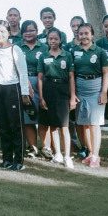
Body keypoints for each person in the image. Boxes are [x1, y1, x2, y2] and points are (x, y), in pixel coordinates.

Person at [0, 23, 31, 171]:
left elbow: (23, 73)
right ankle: (6, 160)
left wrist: (24, 93)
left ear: (8, 33)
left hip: (12, 88)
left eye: (2, 31)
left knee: (16, 125)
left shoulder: (15, 49)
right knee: (3, 125)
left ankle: (18, 160)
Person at [71, 23, 108, 168]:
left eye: (86, 33)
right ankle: (90, 152)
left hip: (95, 89)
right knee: (84, 123)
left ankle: (96, 156)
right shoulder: (74, 51)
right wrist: (73, 94)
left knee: (94, 123)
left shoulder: (100, 52)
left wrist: (104, 92)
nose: (84, 36)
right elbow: (72, 74)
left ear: (92, 35)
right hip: (80, 89)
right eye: (81, 34)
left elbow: (106, 73)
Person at [37, 29, 74, 168]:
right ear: (47, 40)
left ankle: (67, 156)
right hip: (48, 89)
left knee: (64, 125)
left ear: (60, 40)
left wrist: (72, 96)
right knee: (53, 125)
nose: (53, 41)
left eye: (55, 39)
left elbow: (71, 77)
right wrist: (41, 97)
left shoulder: (67, 55)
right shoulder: (43, 56)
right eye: (50, 39)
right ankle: (58, 154)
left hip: (63, 90)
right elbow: (40, 78)